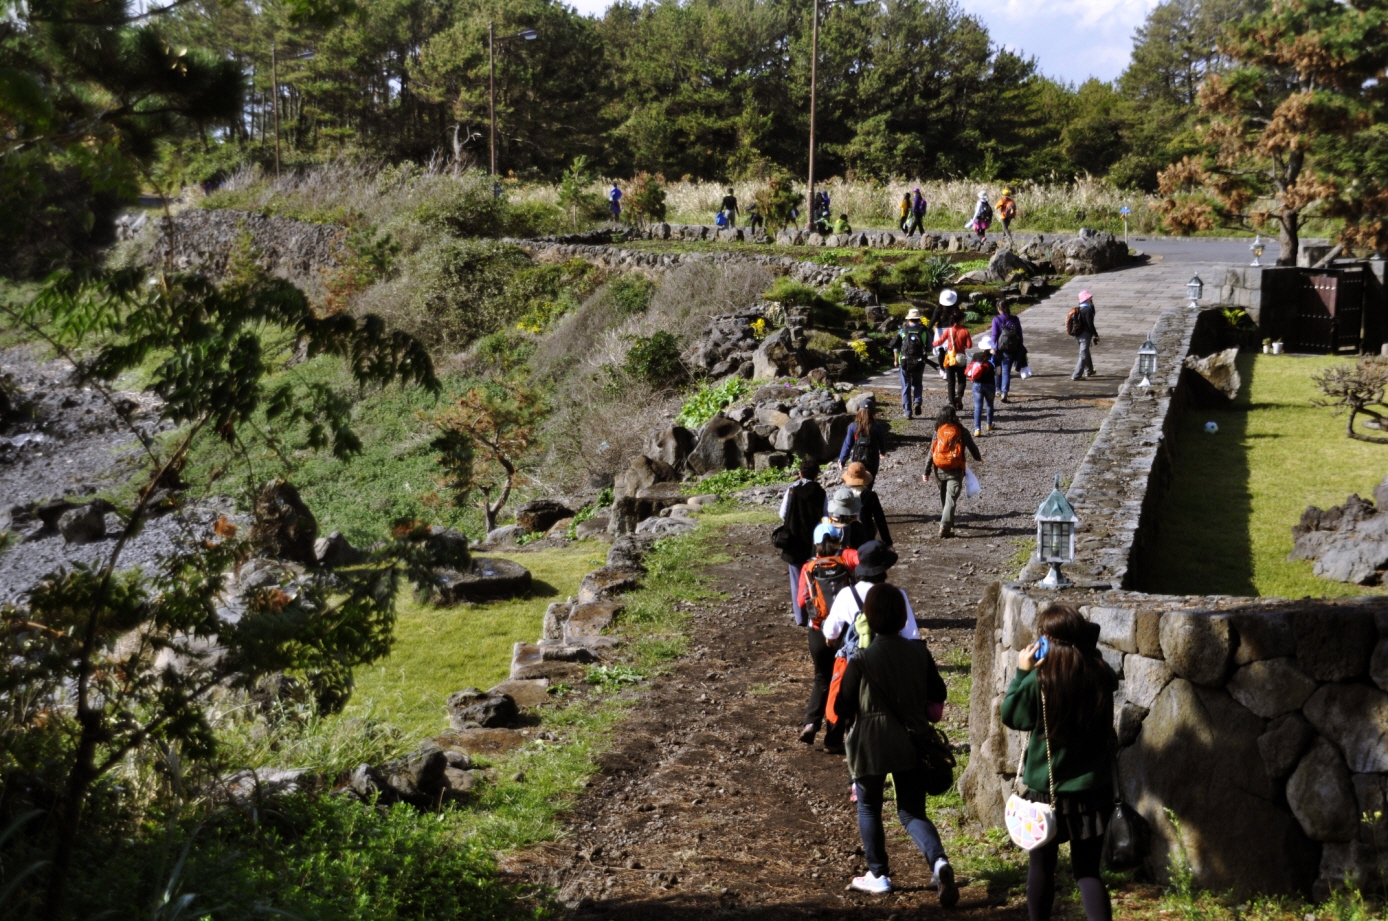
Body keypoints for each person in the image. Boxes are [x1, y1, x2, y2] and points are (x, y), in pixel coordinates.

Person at [836, 582, 957, 905]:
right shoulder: (919, 652)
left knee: (869, 806)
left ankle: (878, 874)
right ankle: (939, 861)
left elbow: (841, 706)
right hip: (912, 740)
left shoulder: (861, 659)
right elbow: (940, 694)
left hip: (870, 743)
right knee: (911, 811)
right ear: (903, 617)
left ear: (869, 617)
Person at [1001, 604, 1117, 921]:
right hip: (1093, 792)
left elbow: (1011, 716)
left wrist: (1023, 671)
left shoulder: (1039, 680)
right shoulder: (1099, 674)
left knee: (1041, 867)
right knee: (1088, 872)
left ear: (1045, 640)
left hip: (1044, 793)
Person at [796, 522, 860, 749]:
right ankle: (833, 739)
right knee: (840, 682)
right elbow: (859, 559)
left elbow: (801, 602)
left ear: (815, 544)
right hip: (842, 632)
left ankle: (811, 723)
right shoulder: (845, 562)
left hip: (817, 629)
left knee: (821, 678)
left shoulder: (808, 567)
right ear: (837, 543)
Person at [778, 457, 827, 625]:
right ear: (816, 475)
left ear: (800, 473)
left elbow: (783, 514)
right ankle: (815, 616)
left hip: (794, 540)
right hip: (814, 542)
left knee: (796, 580)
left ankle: (800, 618)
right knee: (814, 579)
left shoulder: (792, 490)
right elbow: (825, 516)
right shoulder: (821, 492)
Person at [922, 404, 981, 538]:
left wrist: (926, 472)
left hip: (940, 470)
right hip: (955, 469)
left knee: (945, 497)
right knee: (951, 499)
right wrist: (978, 458)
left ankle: (948, 522)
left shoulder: (938, 431)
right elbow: (972, 446)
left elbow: (931, 453)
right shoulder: (961, 431)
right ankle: (945, 526)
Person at [891, 307, 933, 418]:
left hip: (904, 361)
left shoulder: (903, 331)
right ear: (918, 319)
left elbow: (896, 348)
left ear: (909, 319)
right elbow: (929, 348)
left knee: (906, 385)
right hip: (919, 362)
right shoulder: (924, 331)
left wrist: (896, 360)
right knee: (917, 383)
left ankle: (907, 411)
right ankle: (917, 401)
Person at [842, 461, 891, 546]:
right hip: (867, 535)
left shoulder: (844, 494)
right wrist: (887, 542)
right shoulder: (871, 495)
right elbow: (880, 519)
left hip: (849, 535)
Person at [838, 399, 889, 479]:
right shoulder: (877, 426)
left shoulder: (853, 426)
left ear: (859, 411)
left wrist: (842, 460)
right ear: (872, 412)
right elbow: (883, 442)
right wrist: (882, 452)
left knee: (857, 483)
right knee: (869, 484)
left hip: (857, 461)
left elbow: (847, 444)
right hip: (872, 461)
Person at [933, 310, 973, 410]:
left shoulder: (948, 331)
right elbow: (969, 345)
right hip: (961, 359)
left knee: (951, 382)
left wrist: (931, 344)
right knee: (962, 380)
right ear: (961, 319)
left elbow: (939, 341)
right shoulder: (965, 331)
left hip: (950, 358)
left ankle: (951, 402)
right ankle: (959, 396)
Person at [991, 301, 1025, 402]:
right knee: (1006, 371)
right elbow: (1020, 334)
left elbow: (994, 335)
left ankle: (997, 390)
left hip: (998, 349)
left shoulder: (996, 319)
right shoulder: (1015, 319)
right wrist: (1020, 346)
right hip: (1011, 349)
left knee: (997, 369)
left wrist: (992, 347)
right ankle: (1004, 392)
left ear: (998, 308)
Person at [965, 348, 996, 436]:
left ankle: (977, 429)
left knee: (978, 407)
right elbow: (998, 372)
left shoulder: (976, 355)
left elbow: (971, 369)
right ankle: (989, 424)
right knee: (989, 405)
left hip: (977, 384)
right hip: (990, 384)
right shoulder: (994, 356)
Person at [1070, 290, 1100, 381]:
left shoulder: (1079, 309)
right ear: (1086, 299)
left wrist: (1092, 305)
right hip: (1085, 335)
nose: (1091, 299)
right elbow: (1090, 324)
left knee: (1085, 352)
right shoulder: (1087, 310)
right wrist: (1096, 335)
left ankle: (1089, 370)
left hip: (1078, 335)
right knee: (1083, 355)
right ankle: (1076, 375)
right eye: (1089, 298)